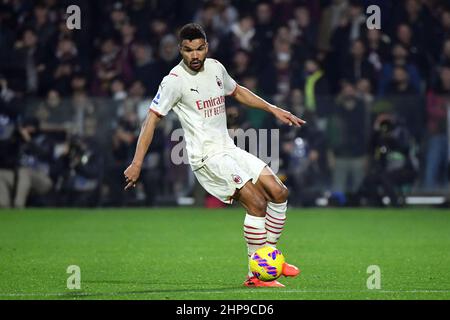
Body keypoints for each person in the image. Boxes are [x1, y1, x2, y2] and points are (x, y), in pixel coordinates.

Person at [123, 23, 305, 287]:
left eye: (199, 49)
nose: (194, 55)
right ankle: (256, 276)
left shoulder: (216, 68)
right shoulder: (174, 82)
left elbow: (237, 90)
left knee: (279, 192)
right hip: (207, 159)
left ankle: (269, 259)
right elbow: (150, 121)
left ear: (206, 47)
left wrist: (272, 108)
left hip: (228, 148)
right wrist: (137, 162)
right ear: (180, 50)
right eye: (188, 50)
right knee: (257, 203)